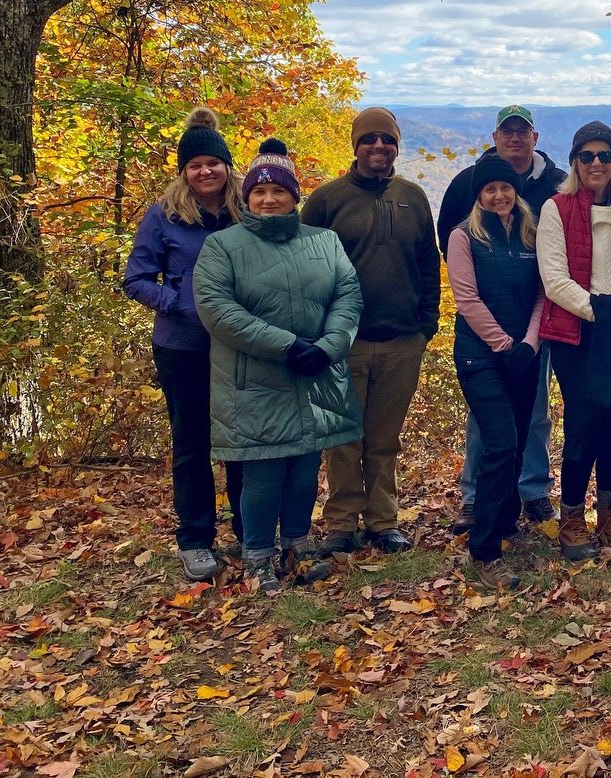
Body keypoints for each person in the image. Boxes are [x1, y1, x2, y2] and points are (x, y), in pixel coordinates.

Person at [193, 141, 363, 592]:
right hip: (255, 378)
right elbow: (218, 310)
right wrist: (287, 346)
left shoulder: (323, 241)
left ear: (295, 196)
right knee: (263, 468)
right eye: (259, 192)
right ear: (246, 198)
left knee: (305, 464)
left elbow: (348, 294)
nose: (269, 199)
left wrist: (329, 346)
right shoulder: (223, 246)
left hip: (315, 372)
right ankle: (257, 559)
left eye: (279, 191)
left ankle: (298, 547)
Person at [302, 108, 440, 555]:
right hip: (345, 341)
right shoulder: (326, 200)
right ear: (355, 146)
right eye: (369, 140)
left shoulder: (413, 198)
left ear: (397, 145)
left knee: (384, 439)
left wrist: (426, 326)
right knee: (343, 436)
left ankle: (383, 521)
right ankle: (341, 523)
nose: (378, 147)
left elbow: (427, 265)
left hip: (403, 339)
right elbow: (306, 273)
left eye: (387, 139)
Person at [123, 107, 245, 581]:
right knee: (192, 444)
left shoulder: (246, 209)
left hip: (237, 345)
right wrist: (179, 302)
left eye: (212, 163)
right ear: (184, 171)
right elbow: (135, 279)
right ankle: (195, 538)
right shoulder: (165, 214)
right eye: (195, 165)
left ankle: (248, 532)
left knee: (239, 442)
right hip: (183, 346)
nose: (205, 171)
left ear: (225, 165)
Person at [536, 122, 611, 560]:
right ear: (574, 161)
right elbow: (554, 279)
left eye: (604, 156)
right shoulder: (558, 207)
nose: (596, 163)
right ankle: (571, 518)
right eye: (586, 156)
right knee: (584, 426)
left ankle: (609, 514)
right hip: (578, 335)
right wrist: (604, 313)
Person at [439, 105, 565, 531]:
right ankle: (477, 498)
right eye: (507, 131)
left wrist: (529, 340)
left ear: (534, 136)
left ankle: (532, 491)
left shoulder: (556, 184)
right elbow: (454, 255)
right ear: (495, 136)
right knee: (487, 418)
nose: (515, 138)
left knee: (535, 412)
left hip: (535, 330)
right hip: (485, 339)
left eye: (522, 131)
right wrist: (502, 342)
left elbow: (546, 279)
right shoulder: (465, 189)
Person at [446, 155, 544, 591]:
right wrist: (504, 345)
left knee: (519, 441)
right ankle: (484, 550)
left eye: (506, 188)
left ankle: (505, 523)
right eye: (490, 190)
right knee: (500, 443)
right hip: (479, 357)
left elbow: (543, 293)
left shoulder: (530, 231)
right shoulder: (464, 237)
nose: (500, 195)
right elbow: (466, 299)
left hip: (524, 353)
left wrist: (529, 343)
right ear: (479, 196)